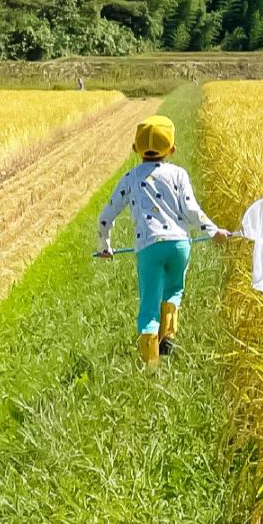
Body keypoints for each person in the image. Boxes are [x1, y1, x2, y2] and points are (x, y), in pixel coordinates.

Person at [96, 115, 230, 366]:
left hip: (148, 247)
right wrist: (213, 231)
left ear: (136, 149)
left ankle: (150, 368)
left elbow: (106, 215)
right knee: (174, 290)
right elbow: (192, 210)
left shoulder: (130, 178)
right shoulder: (178, 174)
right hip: (179, 245)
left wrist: (105, 246)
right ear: (172, 150)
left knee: (149, 304)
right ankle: (167, 338)